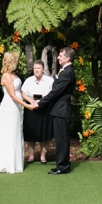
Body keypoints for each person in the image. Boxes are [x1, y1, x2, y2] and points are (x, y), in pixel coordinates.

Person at [35, 46, 77, 175]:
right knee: (59, 139)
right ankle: (61, 164)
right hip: (58, 110)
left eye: (61, 55)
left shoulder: (68, 73)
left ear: (68, 58)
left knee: (62, 140)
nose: (58, 57)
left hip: (62, 110)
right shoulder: (65, 71)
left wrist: (41, 102)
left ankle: (63, 166)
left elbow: (56, 92)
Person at [21, 59, 54, 164]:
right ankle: (31, 156)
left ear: (43, 69)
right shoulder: (28, 80)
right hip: (31, 109)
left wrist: (43, 99)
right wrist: (30, 100)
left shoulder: (50, 81)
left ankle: (43, 157)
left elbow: (53, 93)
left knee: (45, 134)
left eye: (38, 68)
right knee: (30, 134)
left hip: (44, 109)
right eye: (35, 68)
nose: (36, 70)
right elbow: (23, 93)